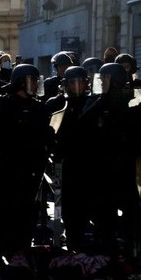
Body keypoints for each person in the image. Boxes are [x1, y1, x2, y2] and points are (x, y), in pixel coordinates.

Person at [78, 63, 141, 271]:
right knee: (107, 215)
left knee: (127, 216)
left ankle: (129, 256)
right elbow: (83, 124)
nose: (100, 84)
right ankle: (113, 257)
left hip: (121, 167)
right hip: (105, 168)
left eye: (104, 80)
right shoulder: (102, 103)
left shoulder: (134, 106)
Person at [0, 64, 53, 274]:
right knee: (0, 216)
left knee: (24, 216)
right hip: (5, 172)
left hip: (28, 172)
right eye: (31, 81)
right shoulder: (1, 106)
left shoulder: (38, 107)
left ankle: (19, 257)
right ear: (20, 82)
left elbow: (43, 138)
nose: (34, 86)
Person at [49, 66, 94, 251]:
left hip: (85, 160)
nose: (78, 86)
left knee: (83, 202)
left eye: (81, 82)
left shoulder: (91, 103)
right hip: (63, 161)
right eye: (73, 82)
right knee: (63, 203)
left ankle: (79, 235)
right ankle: (66, 235)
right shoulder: (57, 104)